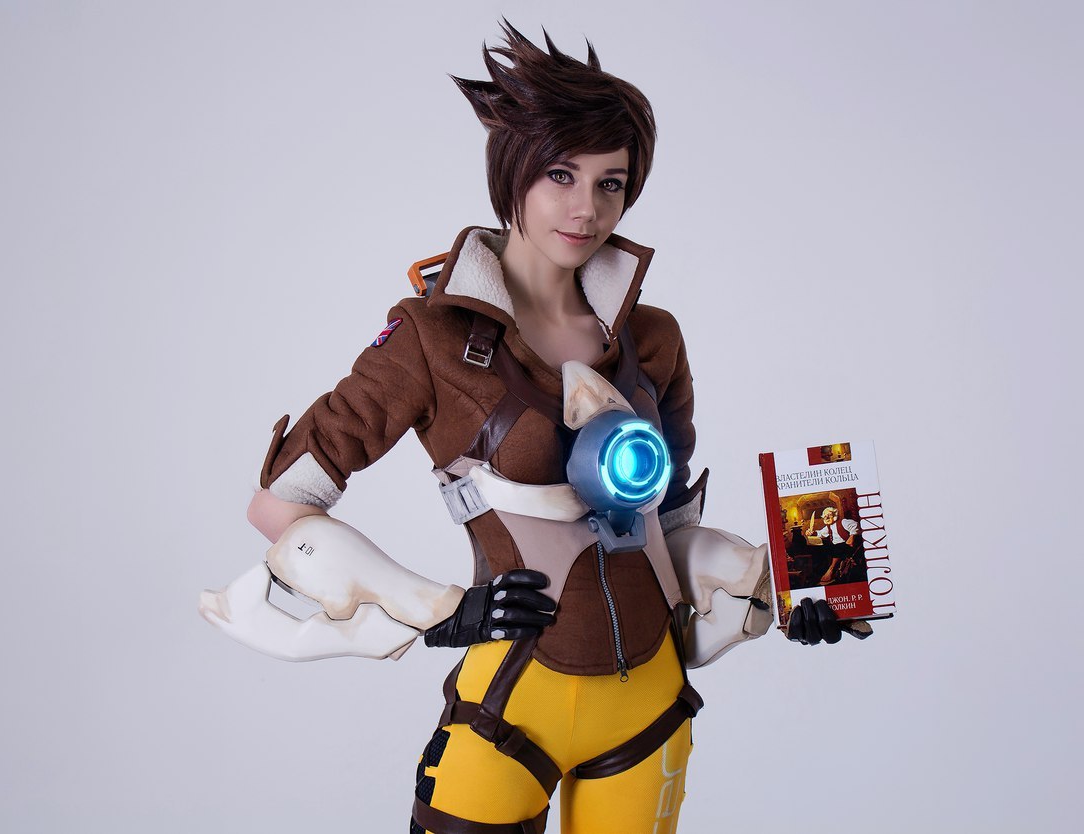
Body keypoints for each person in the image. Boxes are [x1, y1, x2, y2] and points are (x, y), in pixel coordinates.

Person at [203, 24, 848, 833]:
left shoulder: (652, 339)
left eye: (611, 183)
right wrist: (440, 610)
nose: (586, 208)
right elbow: (279, 505)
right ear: (512, 171)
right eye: (560, 174)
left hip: (650, 703)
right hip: (509, 705)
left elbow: (670, 529)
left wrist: (788, 594)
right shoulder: (432, 339)